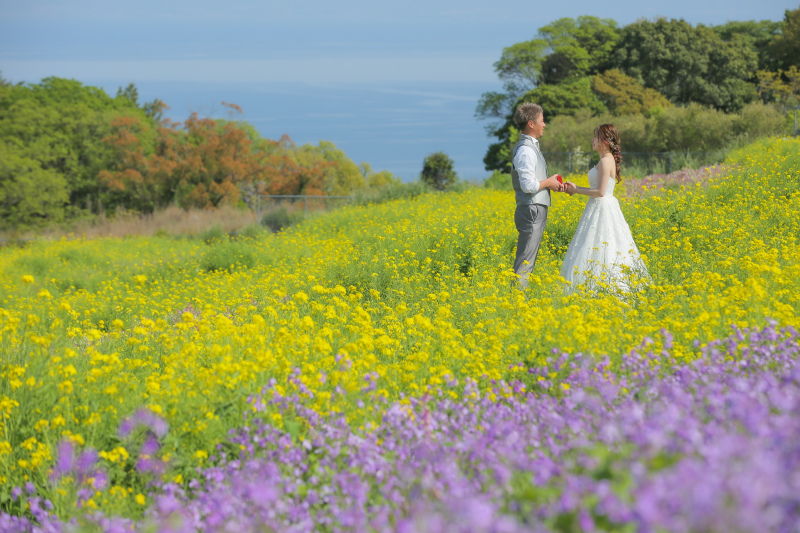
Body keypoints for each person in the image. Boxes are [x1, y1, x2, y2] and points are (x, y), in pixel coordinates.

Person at [561, 124, 649, 292]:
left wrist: (575, 189)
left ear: (605, 141)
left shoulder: (605, 160)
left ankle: (602, 288)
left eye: (596, 137)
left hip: (602, 207)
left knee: (603, 246)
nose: (592, 140)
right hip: (599, 207)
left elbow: (600, 192)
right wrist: (576, 188)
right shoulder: (606, 159)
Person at [510, 103, 563, 289]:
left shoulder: (530, 148)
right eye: (542, 120)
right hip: (531, 210)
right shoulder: (525, 150)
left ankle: (518, 300)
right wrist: (547, 183)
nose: (545, 124)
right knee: (525, 261)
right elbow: (528, 186)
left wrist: (550, 182)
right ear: (531, 124)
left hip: (533, 208)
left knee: (527, 260)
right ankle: (516, 302)